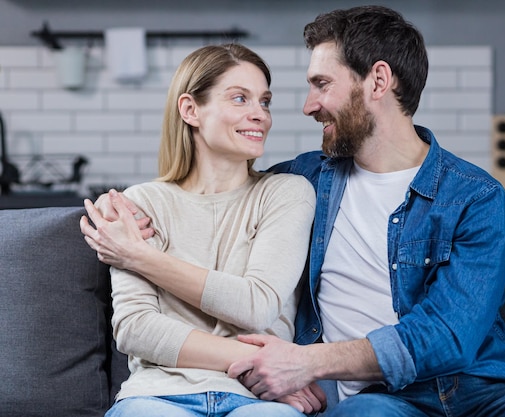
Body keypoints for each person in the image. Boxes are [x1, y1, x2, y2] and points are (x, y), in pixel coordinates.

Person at [92, 6, 505, 417]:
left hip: (481, 385)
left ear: (377, 81)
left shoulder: (473, 195)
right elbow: (218, 181)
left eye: (320, 84)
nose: (305, 106)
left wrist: (306, 361)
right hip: (377, 397)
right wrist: (129, 214)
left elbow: (449, 336)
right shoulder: (303, 181)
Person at [79, 43, 326, 417]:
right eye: (240, 99)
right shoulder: (142, 203)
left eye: (265, 101)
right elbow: (134, 329)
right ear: (190, 110)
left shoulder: (286, 193)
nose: (260, 114)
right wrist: (264, 362)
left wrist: (140, 256)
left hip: (258, 401)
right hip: (156, 396)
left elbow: (256, 305)